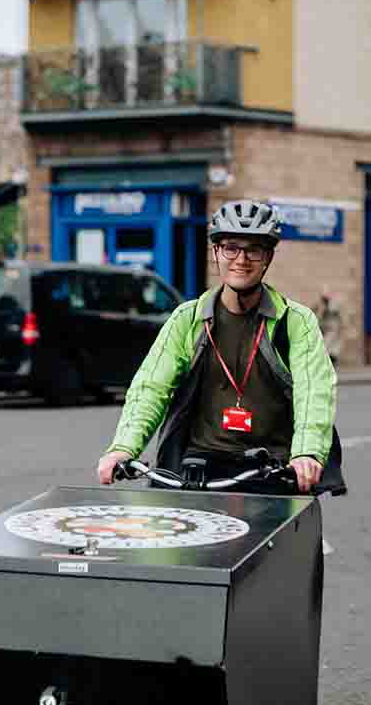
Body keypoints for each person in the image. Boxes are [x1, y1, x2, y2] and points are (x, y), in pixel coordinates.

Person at [95, 199, 343, 494]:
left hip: (272, 471)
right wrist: (123, 447)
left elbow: (314, 390)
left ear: (268, 257)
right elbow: (151, 387)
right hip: (198, 468)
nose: (241, 259)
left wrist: (306, 453)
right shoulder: (188, 319)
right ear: (216, 252)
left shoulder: (295, 321)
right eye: (231, 247)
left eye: (253, 249)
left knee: (285, 538)